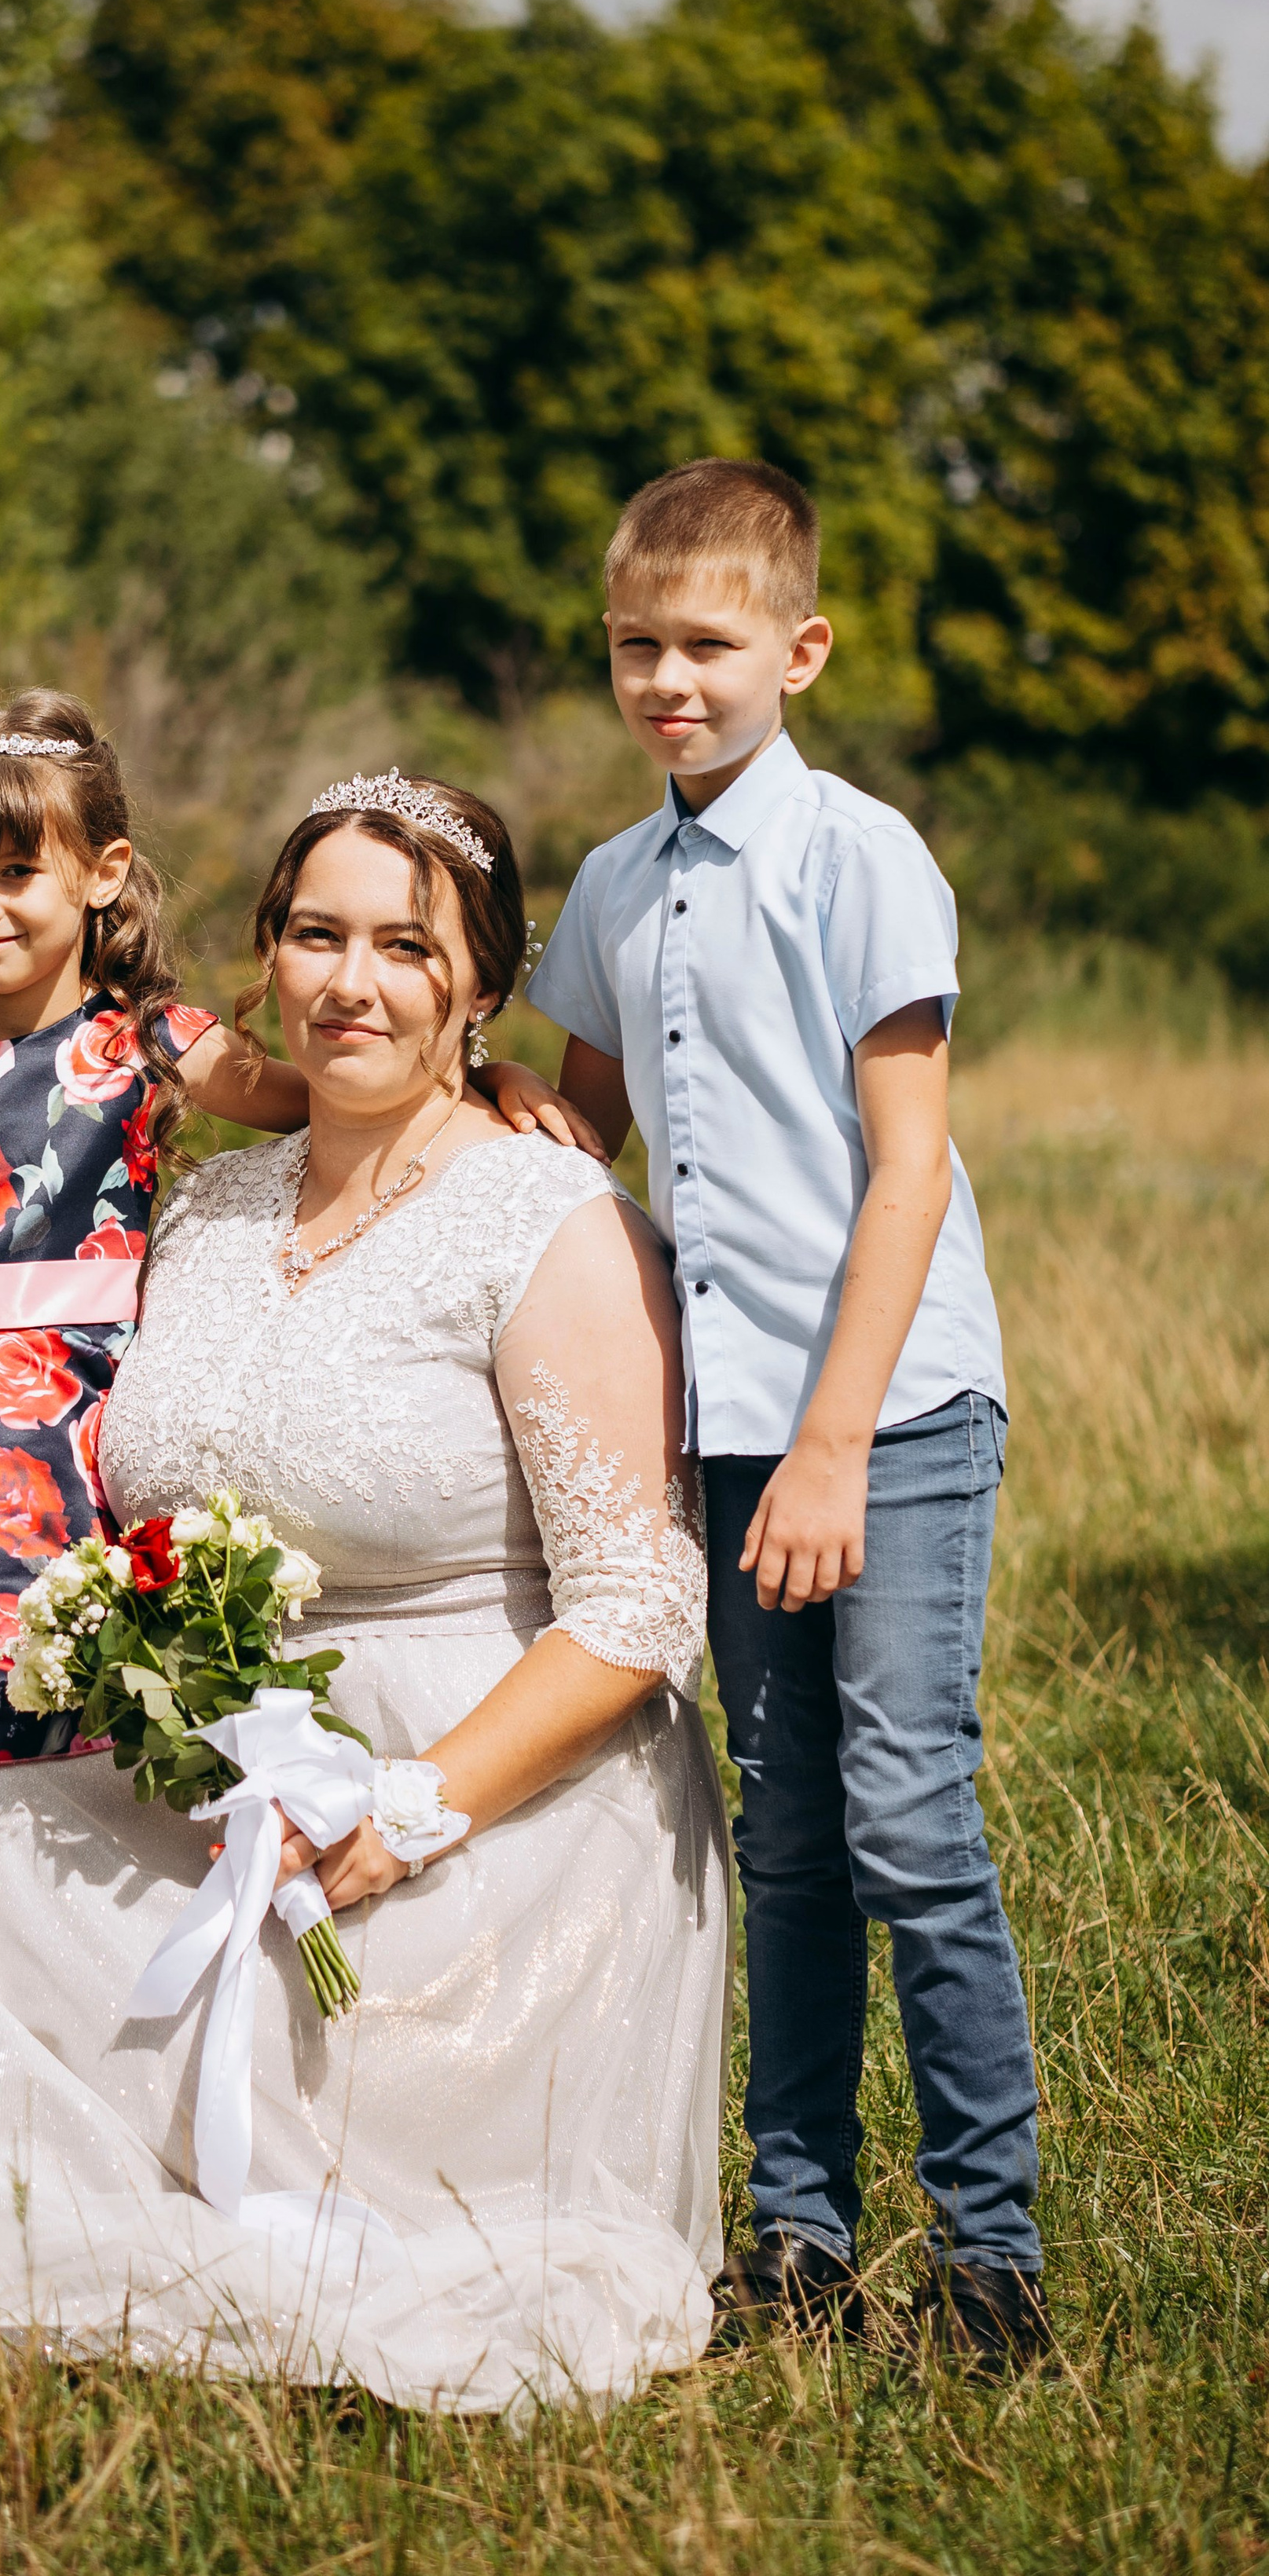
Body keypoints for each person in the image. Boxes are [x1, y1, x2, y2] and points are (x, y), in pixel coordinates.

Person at [0, 772, 729, 2415]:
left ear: (483, 984)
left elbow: (635, 1608)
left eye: (407, 947)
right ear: (264, 954)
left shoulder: (550, 1220)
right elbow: (4, 1362)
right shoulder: (205, 1206)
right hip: (225, 1751)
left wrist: (410, 1807)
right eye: (316, 936)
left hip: (492, 1791)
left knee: (343, 2159)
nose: (351, 984)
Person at [0, 691, 585, 2061]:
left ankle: (33, 2072)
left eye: (15, 870)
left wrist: (491, 1068)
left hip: (69, 1477)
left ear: (103, 874)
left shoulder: (147, 1044)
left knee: (62, 1797)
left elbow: (338, 1083)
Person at [527, 456, 1048, 2370]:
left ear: (797, 651)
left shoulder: (857, 856)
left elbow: (905, 1168)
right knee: (787, 1842)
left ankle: (988, 2264)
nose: (667, 681)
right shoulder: (611, 882)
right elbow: (571, 1134)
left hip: (884, 1420)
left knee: (905, 1819)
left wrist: (831, 1448)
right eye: (633, 647)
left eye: (706, 645)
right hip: (726, 1426)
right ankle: (796, 2238)